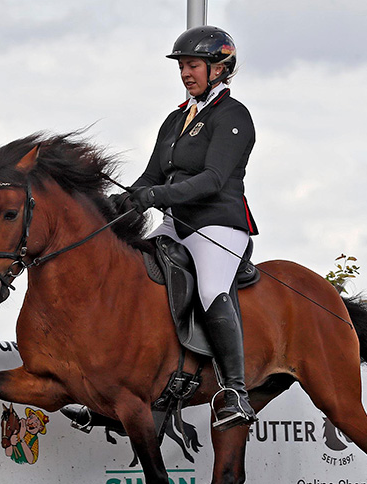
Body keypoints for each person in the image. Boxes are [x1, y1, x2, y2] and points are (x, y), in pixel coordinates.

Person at [126, 25, 259, 432]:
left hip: (217, 224)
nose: (186, 73)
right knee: (132, 274)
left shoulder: (233, 116)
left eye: (194, 65)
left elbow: (213, 179)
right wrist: (129, 198)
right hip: (175, 224)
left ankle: (235, 390)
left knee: (209, 289)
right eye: (182, 66)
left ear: (219, 67)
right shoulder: (174, 120)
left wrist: (157, 196)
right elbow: (150, 175)